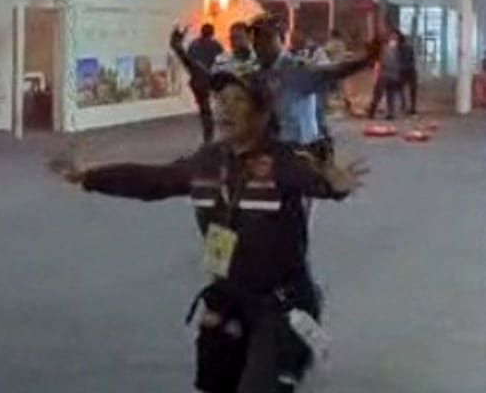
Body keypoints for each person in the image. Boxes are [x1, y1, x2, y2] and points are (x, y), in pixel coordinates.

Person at [51, 71, 367, 392]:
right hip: (228, 297)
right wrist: (89, 177)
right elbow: (153, 181)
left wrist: (335, 183)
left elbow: (322, 182)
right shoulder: (207, 161)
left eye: (238, 101)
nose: (224, 109)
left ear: (261, 113)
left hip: (281, 304)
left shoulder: (285, 160)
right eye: (221, 101)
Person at [249, 14, 379, 163]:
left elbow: (334, 71)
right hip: (270, 151)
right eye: (256, 39)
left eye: (267, 38)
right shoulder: (259, 74)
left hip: (299, 150)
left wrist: (365, 60)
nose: (260, 45)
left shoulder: (296, 69)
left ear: (282, 40)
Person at [174, 24, 225, 143]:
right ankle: (209, 136)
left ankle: (208, 135)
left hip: (196, 80)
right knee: (210, 108)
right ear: (212, 33)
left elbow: (188, 61)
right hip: (208, 80)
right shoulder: (215, 45)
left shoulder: (194, 44)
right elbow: (221, 61)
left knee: (204, 109)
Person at [366, 31, 404, 121]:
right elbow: (398, 64)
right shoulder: (396, 50)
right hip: (392, 75)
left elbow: (381, 62)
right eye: (394, 39)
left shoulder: (385, 49)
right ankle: (390, 114)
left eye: (395, 39)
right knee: (390, 95)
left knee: (379, 94)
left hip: (385, 75)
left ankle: (372, 112)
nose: (394, 41)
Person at [397, 32, 418, 116]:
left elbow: (399, 60)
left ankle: (404, 106)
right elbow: (413, 59)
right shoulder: (409, 47)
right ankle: (412, 107)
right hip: (411, 70)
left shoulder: (399, 48)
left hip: (404, 70)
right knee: (412, 90)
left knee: (401, 88)